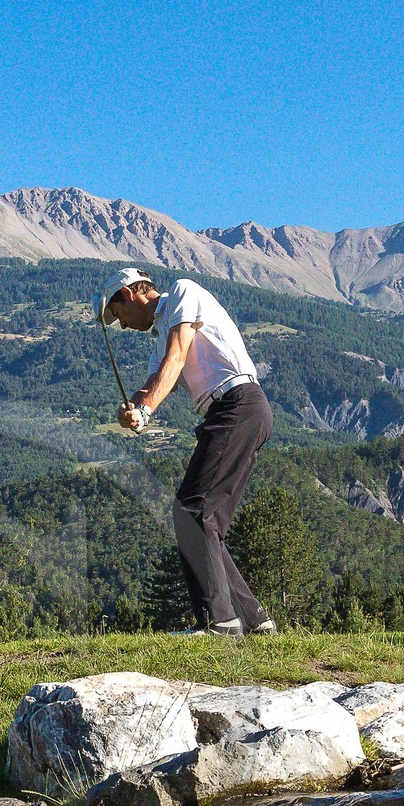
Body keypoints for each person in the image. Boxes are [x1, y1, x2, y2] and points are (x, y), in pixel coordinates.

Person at [94, 267, 276, 636]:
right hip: (234, 411)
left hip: (237, 405)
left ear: (129, 294)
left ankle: (219, 624)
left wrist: (144, 411)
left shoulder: (182, 292)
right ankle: (256, 624)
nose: (123, 326)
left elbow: (176, 359)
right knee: (206, 521)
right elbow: (156, 379)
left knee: (191, 512)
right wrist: (132, 407)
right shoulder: (162, 335)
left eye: (117, 315)